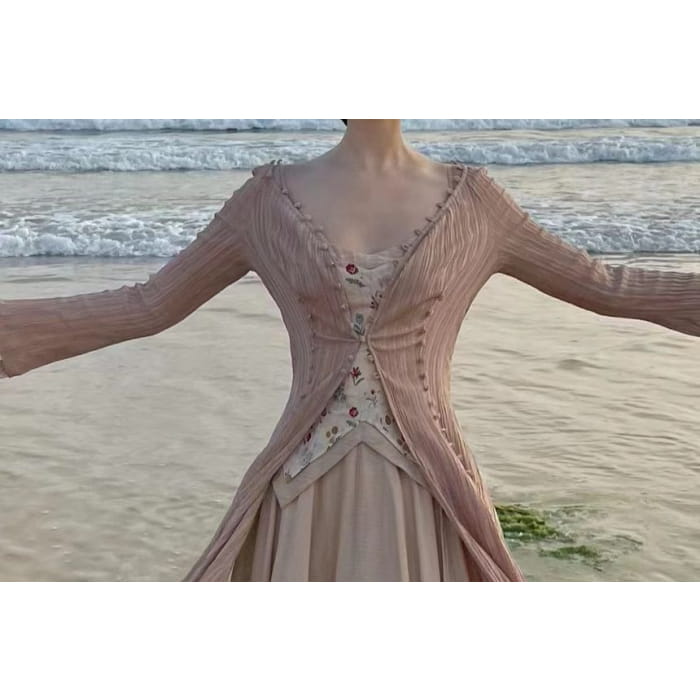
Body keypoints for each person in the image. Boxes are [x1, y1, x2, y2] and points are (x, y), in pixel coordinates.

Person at [2, 119, 699, 582]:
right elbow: (150, 304)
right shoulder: (266, 200)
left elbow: (606, 286)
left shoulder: (475, 202)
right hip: (304, 488)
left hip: (427, 487)